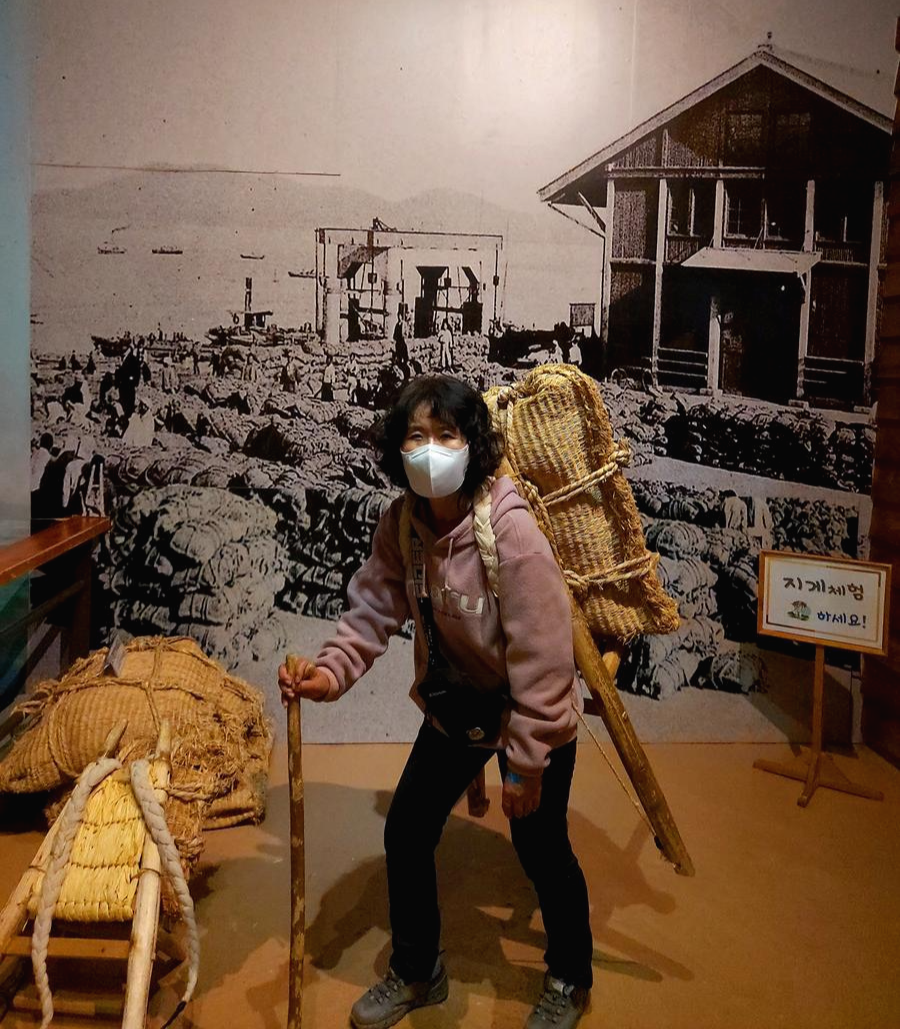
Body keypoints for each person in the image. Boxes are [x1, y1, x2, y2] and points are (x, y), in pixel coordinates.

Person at [278, 374, 593, 1029]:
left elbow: (544, 658)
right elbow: (372, 609)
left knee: (540, 846)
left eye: (446, 435)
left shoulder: (511, 534)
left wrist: (525, 764)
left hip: (530, 717)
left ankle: (569, 976)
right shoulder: (404, 525)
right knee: (407, 830)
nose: (430, 450)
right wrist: (329, 674)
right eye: (415, 436)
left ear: (472, 444)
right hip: (459, 706)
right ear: (397, 449)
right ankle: (418, 969)